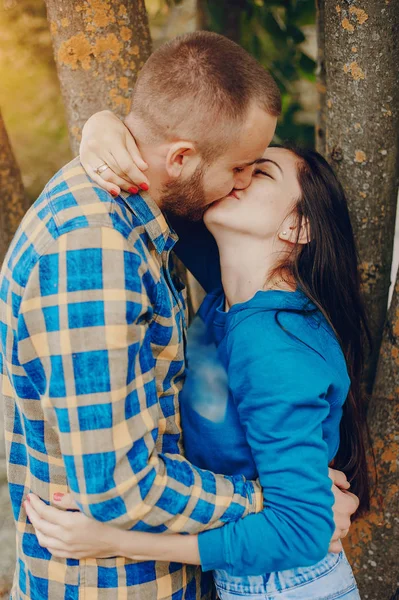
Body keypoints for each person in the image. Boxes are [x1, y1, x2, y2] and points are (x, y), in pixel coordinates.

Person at [0, 31, 357, 600]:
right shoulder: (99, 252)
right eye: (243, 167)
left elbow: (299, 523)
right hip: (108, 582)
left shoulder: (250, 307)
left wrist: (298, 506)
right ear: (183, 158)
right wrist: (281, 500)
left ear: (295, 229)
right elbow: (120, 488)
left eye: (255, 173)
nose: (238, 182)